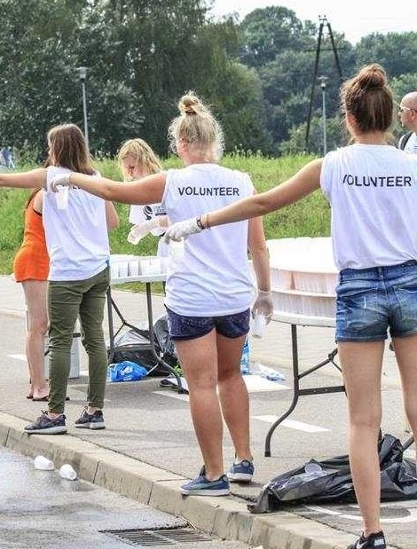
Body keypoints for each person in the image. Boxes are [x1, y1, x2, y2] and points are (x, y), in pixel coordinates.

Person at [166, 66, 417, 549]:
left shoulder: (334, 165)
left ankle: (373, 534)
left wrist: (200, 221)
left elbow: (261, 204)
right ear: (389, 116)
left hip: (360, 289)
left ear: (348, 117)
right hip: (410, 283)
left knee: (364, 420)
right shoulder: (411, 165)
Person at [53, 93, 272, 497]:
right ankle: (244, 458)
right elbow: (257, 245)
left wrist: (69, 177)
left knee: (201, 384)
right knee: (231, 376)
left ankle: (213, 472)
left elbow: (115, 191)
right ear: (215, 141)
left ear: (181, 145)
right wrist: (266, 291)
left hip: (192, 296)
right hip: (234, 294)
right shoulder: (241, 181)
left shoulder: (172, 181)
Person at [0, 123, 120, 435]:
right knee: (95, 337)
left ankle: (54, 414)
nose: (48, 153)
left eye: (51, 147)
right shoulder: (96, 179)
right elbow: (113, 222)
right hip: (98, 267)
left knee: (61, 339)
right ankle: (95, 409)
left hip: (67, 271)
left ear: (59, 150)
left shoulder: (50, 178)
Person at [11, 187, 50, 401]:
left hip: (39, 259)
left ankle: (36, 383)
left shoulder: (41, 193)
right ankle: (39, 386)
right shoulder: (45, 194)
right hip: (35, 259)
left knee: (39, 325)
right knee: (39, 325)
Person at [117, 138, 168, 252]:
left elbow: (183, 217)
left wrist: (153, 224)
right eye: (126, 168)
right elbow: (141, 222)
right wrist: (137, 231)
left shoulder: (167, 182)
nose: (129, 172)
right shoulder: (137, 189)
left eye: (132, 167)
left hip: (182, 241)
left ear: (145, 161)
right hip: (164, 244)